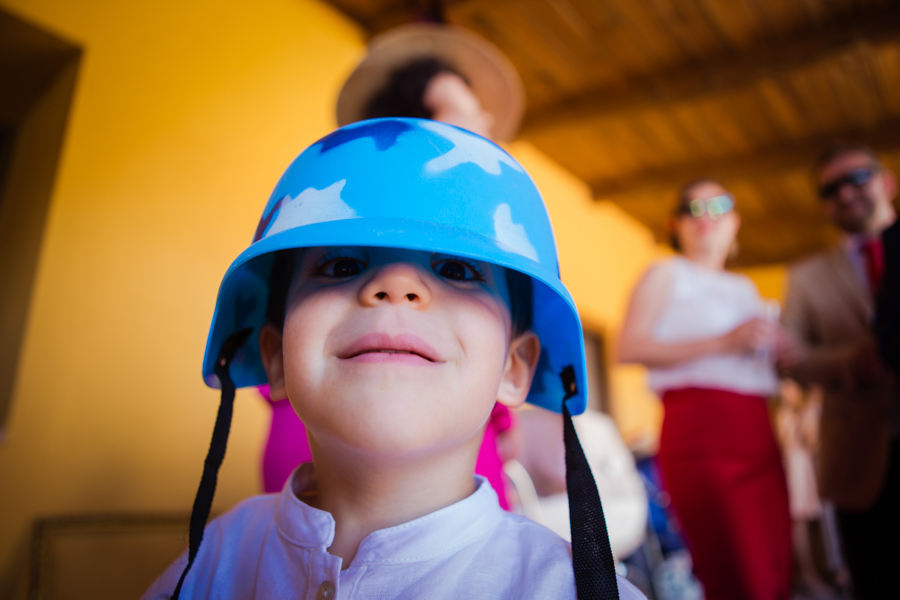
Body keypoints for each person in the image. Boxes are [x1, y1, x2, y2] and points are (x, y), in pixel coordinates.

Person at [143, 118, 644, 599]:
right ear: (274, 358)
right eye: (341, 266)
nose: (396, 286)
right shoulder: (211, 559)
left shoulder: (566, 589)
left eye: (456, 269)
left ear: (513, 369)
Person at [260, 24, 526, 510]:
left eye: (457, 272)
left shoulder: (492, 223)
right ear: (407, 127)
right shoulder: (329, 202)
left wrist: (504, 418)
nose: (481, 121)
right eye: (460, 110)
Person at [618, 179, 793, 600]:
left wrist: (786, 352)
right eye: (692, 209)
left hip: (758, 430)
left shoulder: (746, 288)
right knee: (737, 572)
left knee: (776, 566)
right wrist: (725, 342)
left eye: (718, 206)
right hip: (702, 431)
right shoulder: (666, 273)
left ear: (734, 221)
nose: (706, 217)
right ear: (675, 224)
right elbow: (628, 347)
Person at [781, 143, 899, 599]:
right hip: (856, 456)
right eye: (831, 189)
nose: (845, 194)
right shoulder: (806, 277)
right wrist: (851, 360)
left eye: (857, 178)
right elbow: (790, 358)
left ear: (886, 181)